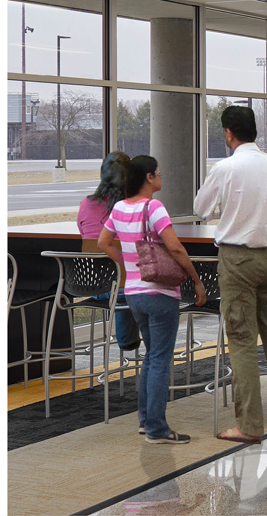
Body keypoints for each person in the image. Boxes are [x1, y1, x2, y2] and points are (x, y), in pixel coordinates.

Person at [193, 104, 267, 445]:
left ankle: (249, 426)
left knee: (242, 344)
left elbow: (200, 209)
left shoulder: (226, 167)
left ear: (228, 133)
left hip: (238, 260)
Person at [103, 153, 205, 445]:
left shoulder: (120, 207)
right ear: (148, 177)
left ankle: (145, 421)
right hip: (160, 293)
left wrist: (127, 264)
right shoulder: (154, 207)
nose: (161, 177)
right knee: (160, 359)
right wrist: (196, 280)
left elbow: (103, 242)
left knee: (151, 357)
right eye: (158, 173)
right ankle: (157, 430)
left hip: (134, 293)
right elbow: (175, 248)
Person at [76, 152, 143, 362]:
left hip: (94, 286)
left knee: (119, 280)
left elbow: (84, 232)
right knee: (130, 281)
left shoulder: (86, 204)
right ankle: (136, 345)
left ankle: (128, 341)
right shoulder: (134, 208)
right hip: (126, 288)